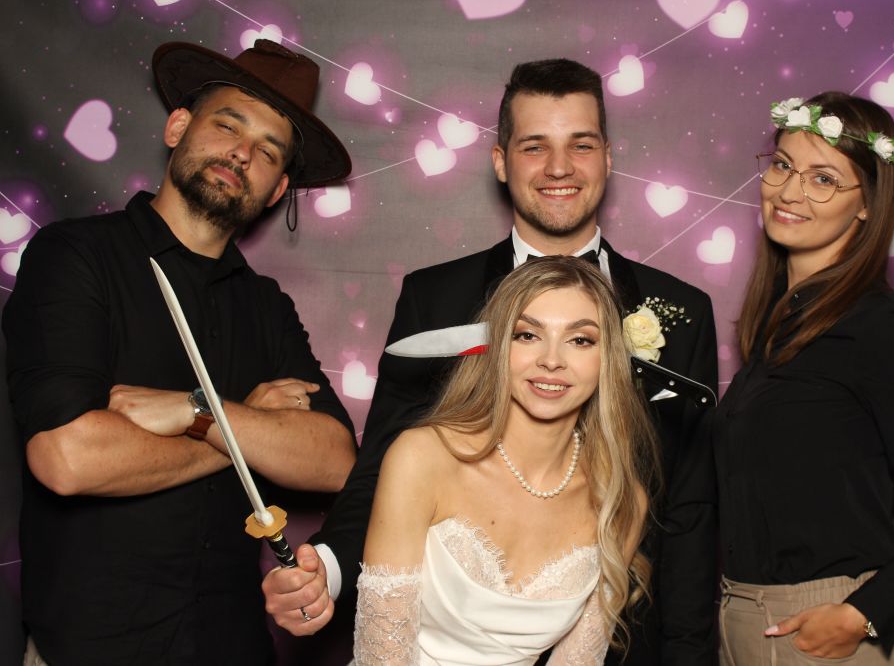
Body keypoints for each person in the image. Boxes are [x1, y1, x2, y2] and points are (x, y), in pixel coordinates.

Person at [263, 58, 719, 664]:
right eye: (535, 146)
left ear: (608, 158)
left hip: (618, 638)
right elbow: (383, 467)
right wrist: (332, 568)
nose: (560, 167)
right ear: (501, 161)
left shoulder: (683, 310)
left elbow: (689, 508)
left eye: (581, 145)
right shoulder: (434, 297)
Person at [3, 40, 358, 665]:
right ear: (177, 127)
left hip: (234, 650)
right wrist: (240, 423)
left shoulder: (266, 305)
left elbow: (334, 461)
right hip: (88, 652)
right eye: (228, 126)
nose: (242, 153)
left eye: (268, 151)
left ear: (277, 189)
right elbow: (67, 457)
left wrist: (195, 412)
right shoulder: (75, 255)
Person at [714, 92, 894, 665]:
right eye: (783, 165)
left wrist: (861, 614)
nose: (790, 192)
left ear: (866, 204)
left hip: (828, 637)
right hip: (744, 624)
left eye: (823, 179)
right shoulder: (779, 325)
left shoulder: (882, 329)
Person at [352, 256, 657, 663]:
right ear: (496, 346)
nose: (552, 359)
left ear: (609, 359)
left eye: (580, 340)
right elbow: (381, 657)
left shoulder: (621, 500)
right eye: (527, 335)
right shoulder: (422, 458)